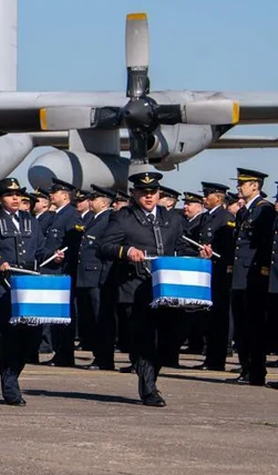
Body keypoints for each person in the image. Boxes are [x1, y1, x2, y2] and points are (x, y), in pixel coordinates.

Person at [98, 171, 211, 406]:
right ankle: (149, 389)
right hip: (135, 286)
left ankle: (149, 374)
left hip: (165, 289)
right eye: (143, 192)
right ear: (134, 194)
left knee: (173, 336)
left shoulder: (172, 218)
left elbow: (181, 245)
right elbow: (104, 246)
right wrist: (127, 252)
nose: (149, 197)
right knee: (144, 339)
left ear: (159, 193)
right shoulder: (123, 218)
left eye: (153, 192)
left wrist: (199, 252)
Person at [0, 178, 52, 405]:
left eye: (18, 195)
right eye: (10, 195)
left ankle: (13, 374)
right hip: (4, 287)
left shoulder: (30, 220)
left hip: (28, 287)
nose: (15, 199)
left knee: (33, 338)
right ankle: (10, 385)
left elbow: (40, 249)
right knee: (10, 337)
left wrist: (51, 256)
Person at [228, 168, 274, 386]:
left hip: (254, 276)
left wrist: (263, 270)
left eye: (244, 183)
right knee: (241, 325)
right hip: (240, 275)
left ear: (255, 186)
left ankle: (256, 371)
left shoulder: (263, 210)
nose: (239, 187)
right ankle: (245, 368)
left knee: (254, 326)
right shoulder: (243, 211)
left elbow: (266, 245)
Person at [41, 179, 82, 367]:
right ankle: (60, 353)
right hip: (50, 269)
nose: (51, 195)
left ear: (65, 195)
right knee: (54, 315)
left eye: (55, 192)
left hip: (61, 272)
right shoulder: (54, 215)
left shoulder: (71, 215)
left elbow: (73, 244)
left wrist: (62, 258)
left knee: (63, 316)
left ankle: (65, 354)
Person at [77, 186, 117, 370]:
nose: (90, 202)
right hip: (88, 274)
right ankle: (99, 356)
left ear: (103, 202)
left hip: (98, 275)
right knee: (92, 318)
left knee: (101, 318)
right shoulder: (95, 218)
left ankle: (104, 358)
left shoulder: (109, 218)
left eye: (93, 199)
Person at [194, 182, 232, 371]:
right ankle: (209, 357)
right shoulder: (206, 217)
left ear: (218, 197)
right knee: (208, 318)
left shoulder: (225, 217)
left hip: (218, 272)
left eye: (207, 195)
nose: (204, 198)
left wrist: (213, 252)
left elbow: (227, 248)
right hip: (205, 272)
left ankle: (217, 359)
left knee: (218, 318)